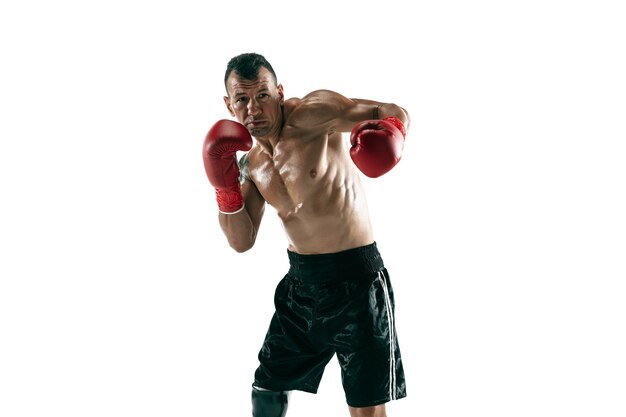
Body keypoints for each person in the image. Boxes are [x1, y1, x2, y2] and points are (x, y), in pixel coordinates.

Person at [202, 52, 410, 417]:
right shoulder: (249, 163)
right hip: (301, 288)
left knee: (366, 408)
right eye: (242, 100)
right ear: (228, 104)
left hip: (357, 284)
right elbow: (241, 241)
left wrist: (392, 131)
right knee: (266, 392)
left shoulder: (314, 114)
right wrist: (225, 188)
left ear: (279, 92)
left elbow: (390, 109)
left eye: (263, 95)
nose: (254, 109)